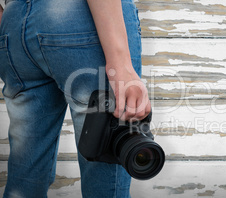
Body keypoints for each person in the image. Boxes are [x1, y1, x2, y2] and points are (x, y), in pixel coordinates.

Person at [0, 0, 151, 197]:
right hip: (82, 17)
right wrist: (120, 63)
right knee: (108, 169)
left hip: (14, 24)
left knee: (25, 181)